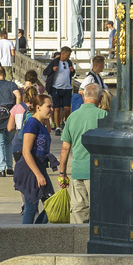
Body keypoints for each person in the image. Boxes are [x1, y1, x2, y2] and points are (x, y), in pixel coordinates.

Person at [58, 83, 106, 224]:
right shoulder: (103, 115)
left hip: (78, 171)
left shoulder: (72, 117)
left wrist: (62, 173)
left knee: (78, 212)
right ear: (100, 97)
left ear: (83, 95)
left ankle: (79, 244)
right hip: (97, 172)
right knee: (99, 214)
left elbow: (65, 148)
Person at [13, 97, 55, 224]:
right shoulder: (32, 123)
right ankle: (27, 239)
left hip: (40, 167)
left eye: (52, 106)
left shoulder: (41, 124)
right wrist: (38, 175)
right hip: (30, 170)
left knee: (52, 206)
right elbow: (26, 151)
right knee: (31, 209)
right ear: (38, 107)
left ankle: (36, 234)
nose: (52, 110)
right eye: (49, 106)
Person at [44, 47, 76, 128]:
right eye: (67, 55)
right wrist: (52, 69)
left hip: (67, 88)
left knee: (67, 108)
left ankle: (65, 123)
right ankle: (57, 126)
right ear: (63, 54)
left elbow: (71, 74)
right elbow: (45, 72)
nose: (68, 57)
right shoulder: (54, 62)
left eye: (69, 55)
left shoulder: (69, 62)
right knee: (57, 109)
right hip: (56, 88)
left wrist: (73, 71)